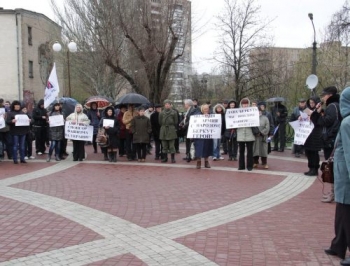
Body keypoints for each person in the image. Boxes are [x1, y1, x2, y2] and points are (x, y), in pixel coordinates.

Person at [324, 86, 350, 265]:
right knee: (341, 212)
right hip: (343, 177)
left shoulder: (348, 123)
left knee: (346, 214)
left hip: (347, 178)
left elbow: (349, 152)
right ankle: (338, 244)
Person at [315, 86, 341, 203]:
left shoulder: (332, 106)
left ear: (329, 95)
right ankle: (334, 193)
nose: (323, 98)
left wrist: (318, 115)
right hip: (335, 140)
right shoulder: (338, 106)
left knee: (331, 168)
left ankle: (333, 193)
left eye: (324, 95)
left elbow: (326, 122)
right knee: (334, 167)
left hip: (330, 141)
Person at [302, 97, 323, 176]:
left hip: (315, 133)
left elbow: (318, 121)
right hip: (307, 133)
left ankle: (315, 169)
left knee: (314, 152)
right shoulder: (307, 110)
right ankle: (310, 168)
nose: (311, 104)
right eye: (310, 103)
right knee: (308, 151)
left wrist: (316, 113)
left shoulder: (320, 111)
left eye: (313, 103)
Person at [237, 98, 256, 171]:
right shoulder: (237, 112)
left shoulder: (252, 111)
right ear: (241, 104)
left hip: (249, 133)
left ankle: (249, 166)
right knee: (241, 151)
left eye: (246, 103)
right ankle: (241, 166)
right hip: (240, 133)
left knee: (250, 151)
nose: (245, 105)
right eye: (243, 104)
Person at [193, 104, 213, 169]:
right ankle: (198, 162)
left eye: (207, 109)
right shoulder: (197, 115)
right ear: (202, 109)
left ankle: (206, 161)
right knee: (198, 148)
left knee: (207, 148)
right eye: (204, 109)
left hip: (208, 135)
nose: (206, 110)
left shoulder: (212, 116)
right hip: (199, 135)